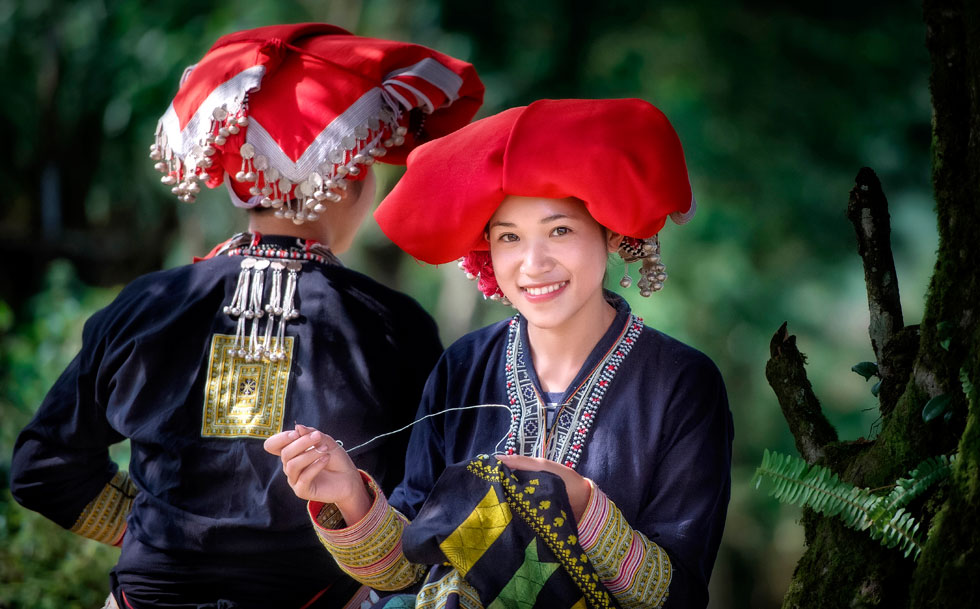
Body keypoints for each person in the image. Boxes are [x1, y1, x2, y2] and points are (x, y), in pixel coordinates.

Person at [10, 23, 483, 609]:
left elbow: (41, 469)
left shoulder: (145, 305)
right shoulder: (391, 324)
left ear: (238, 183)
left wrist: (155, 527)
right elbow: (430, 509)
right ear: (347, 176)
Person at [266, 98, 734, 609]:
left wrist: (579, 503)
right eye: (509, 237)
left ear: (610, 233)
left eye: (560, 230)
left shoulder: (683, 383)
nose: (533, 264)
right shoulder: (463, 368)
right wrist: (349, 498)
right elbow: (410, 570)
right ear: (487, 251)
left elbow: (678, 596)